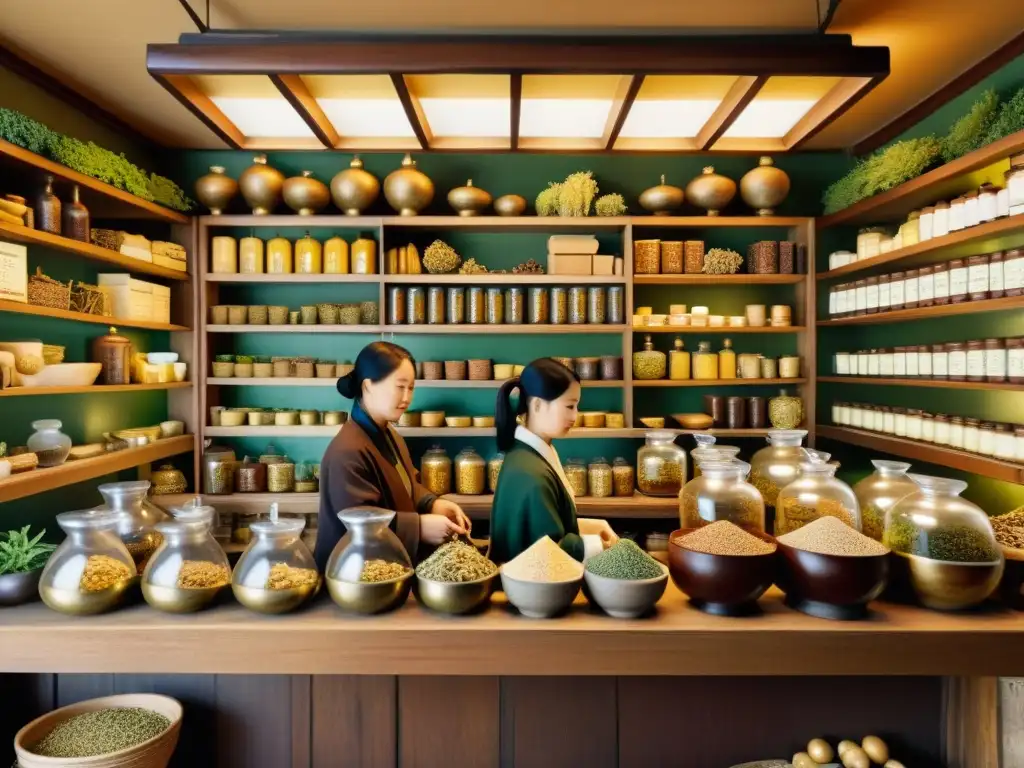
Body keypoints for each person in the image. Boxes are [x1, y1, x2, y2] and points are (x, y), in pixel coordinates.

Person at [315, 341, 471, 570]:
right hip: (352, 577)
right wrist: (418, 527)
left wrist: (433, 503)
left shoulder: (390, 435)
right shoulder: (347, 452)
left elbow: (406, 484)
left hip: (388, 568)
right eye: (400, 387)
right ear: (368, 386)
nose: (407, 397)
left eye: (411, 388)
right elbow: (361, 524)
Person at [489, 358, 617, 563]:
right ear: (538, 405)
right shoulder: (530, 474)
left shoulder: (529, 454)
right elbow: (550, 550)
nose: (576, 415)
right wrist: (598, 545)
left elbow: (542, 527)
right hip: (532, 590)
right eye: (569, 406)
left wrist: (592, 526)